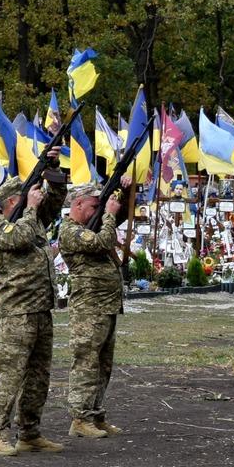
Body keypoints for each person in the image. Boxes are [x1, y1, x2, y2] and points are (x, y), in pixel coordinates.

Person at [0, 176, 63, 456]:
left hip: (41, 309)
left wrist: (53, 170)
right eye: (29, 197)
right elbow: (21, 238)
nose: (37, 201)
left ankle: (29, 432)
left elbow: (55, 202)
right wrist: (29, 209)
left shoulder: (34, 221)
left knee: (39, 376)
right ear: (13, 202)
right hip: (17, 313)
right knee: (8, 376)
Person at [57, 177, 131, 438]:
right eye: (93, 207)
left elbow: (120, 216)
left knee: (103, 365)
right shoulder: (70, 231)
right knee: (86, 363)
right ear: (77, 204)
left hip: (106, 306)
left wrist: (128, 189)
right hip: (89, 308)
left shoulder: (92, 226)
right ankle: (80, 419)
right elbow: (103, 243)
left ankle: (96, 415)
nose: (97, 212)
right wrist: (109, 215)